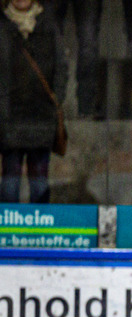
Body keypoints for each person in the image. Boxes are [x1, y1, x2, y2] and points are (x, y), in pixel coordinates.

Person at [0, 0, 66, 204]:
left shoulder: (48, 24)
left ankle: (41, 234)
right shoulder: (2, 26)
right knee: (10, 186)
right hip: (9, 118)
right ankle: (8, 234)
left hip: (41, 118)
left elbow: (61, 68)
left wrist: (55, 101)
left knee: (39, 185)